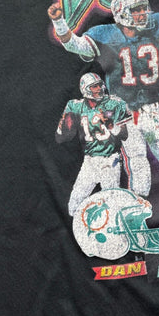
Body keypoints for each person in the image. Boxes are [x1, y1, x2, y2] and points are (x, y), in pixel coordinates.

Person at [48, 0, 159, 247]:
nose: (143, 14)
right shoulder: (105, 35)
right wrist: (60, 22)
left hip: (157, 113)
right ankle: (137, 235)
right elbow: (74, 44)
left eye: (144, 8)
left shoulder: (158, 24)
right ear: (122, 13)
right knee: (140, 179)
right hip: (126, 117)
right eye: (137, 10)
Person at [55, 73, 132, 216]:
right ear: (85, 89)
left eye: (100, 85)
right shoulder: (75, 106)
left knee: (112, 206)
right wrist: (64, 126)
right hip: (89, 161)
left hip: (111, 160)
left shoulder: (114, 104)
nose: (99, 89)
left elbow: (124, 135)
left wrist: (110, 125)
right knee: (73, 206)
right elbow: (60, 138)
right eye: (94, 86)